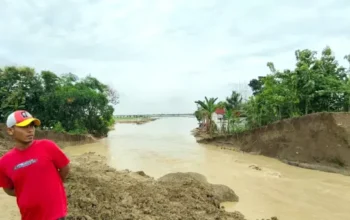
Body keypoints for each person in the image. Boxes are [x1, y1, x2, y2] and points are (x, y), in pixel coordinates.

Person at [0, 110, 70, 220]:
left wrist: (51, 186)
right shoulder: (4, 162)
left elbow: (64, 169)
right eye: (24, 127)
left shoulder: (48, 146)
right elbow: (8, 189)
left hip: (55, 214)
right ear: (10, 130)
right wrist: (28, 192)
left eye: (32, 126)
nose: (30, 130)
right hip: (29, 216)